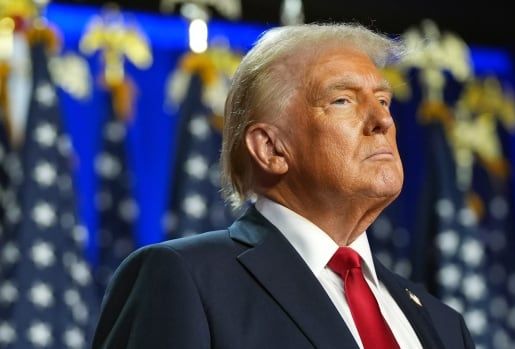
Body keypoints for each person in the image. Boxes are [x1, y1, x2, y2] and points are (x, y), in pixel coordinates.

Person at [92, 23, 474, 349]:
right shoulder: (183, 279)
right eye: (342, 100)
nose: (382, 121)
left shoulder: (443, 324)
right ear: (271, 148)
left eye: (383, 101)